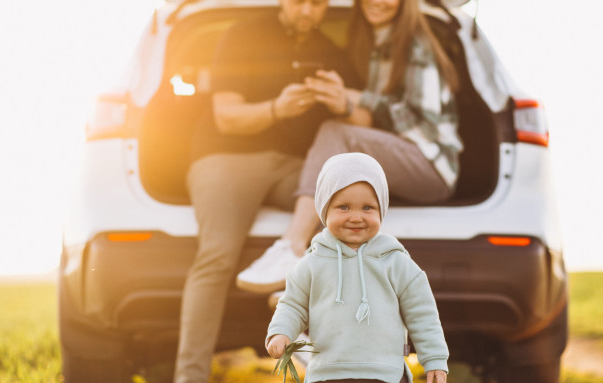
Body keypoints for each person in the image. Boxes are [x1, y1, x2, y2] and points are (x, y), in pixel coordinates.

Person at [174, 0, 359, 381]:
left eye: (317, 4)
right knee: (217, 256)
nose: (307, 11)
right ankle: (189, 376)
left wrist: (340, 102)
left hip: (294, 167)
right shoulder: (241, 35)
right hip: (226, 159)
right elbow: (226, 116)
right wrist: (277, 108)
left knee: (342, 212)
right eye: (298, 2)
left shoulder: (332, 53)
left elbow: (359, 117)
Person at [236, 0, 462, 294]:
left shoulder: (415, 45)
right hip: (397, 159)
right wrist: (338, 97)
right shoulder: (371, 43)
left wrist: (355, 98)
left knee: (335, 133)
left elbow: (424, 122)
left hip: (431, 164)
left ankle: (291, 245)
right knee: (341, 187)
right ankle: (309, 284)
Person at [266, 153, 448, 383]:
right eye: (343, 207)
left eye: (367, 208)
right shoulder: (312, 263)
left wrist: (434, 359)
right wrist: (281, 332)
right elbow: (292, 305)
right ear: (324, 210)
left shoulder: (396, 262)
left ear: (381, 210)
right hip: (328, 374)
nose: (356, 217)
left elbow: (423, 315)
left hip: (385, 374)